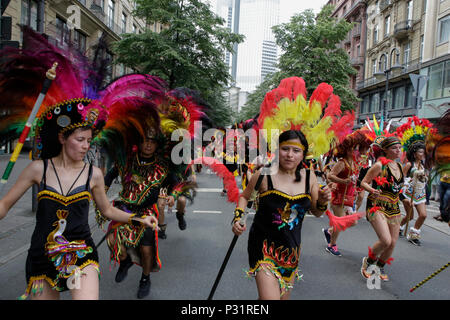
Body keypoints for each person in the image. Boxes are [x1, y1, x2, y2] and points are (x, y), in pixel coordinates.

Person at [0, 101, 158, 300]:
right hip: (42, 256)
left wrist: (138, 219)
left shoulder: (94, 175)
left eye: (89, 140)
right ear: (62, 138)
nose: (86, 146)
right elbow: (4, 205)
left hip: (81, 253)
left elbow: (108, 210)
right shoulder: (38, 169)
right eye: (80, 139)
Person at [232, 130, 331, 299]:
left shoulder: (310, 177)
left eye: (296, 150)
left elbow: (316, 212)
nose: (290, 155)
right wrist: (237, 218)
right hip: (263, 247)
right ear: (277, 150)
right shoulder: (263, 175)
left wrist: (322, 201)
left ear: (303, 154)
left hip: (291, 250)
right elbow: (244, 196)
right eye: (285, 149)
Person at [360, 136, 404, 282]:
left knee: (392, 243)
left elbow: (397, 189)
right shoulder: (379, 166)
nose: (398, 150)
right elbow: (364, 183)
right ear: (385, 150)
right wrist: (372, 190)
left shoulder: (400, 167)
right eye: (394, 148)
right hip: (377, 205)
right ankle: (369, 261)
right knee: (385, 240)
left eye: (399, 147)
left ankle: (379, 266)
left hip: (394, 207)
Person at [322, 130, 371, 256]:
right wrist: (343, 181)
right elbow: (330, 175)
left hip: (349, 198)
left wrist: (354, 190)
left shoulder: (354, 163)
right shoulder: (342, 163)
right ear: (348, 150)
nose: (357, 150)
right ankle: (331, 245)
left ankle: (330, 231)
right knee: (340, 222)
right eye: (354, 148)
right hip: (338, 197)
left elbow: (353, 180)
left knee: (353, 222)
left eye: (357, 148)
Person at [399, 143, 428, 245]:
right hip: (409, 194)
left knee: (423, 215)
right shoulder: (409, 165)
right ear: (415, 154)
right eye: (420, 152)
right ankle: (399, 227)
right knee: (410, 216)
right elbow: (401, 179)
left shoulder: (423, 165)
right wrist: (404, 193)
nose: (422, 154)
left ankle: (413, 234)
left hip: (420, 194)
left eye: (423, 152)